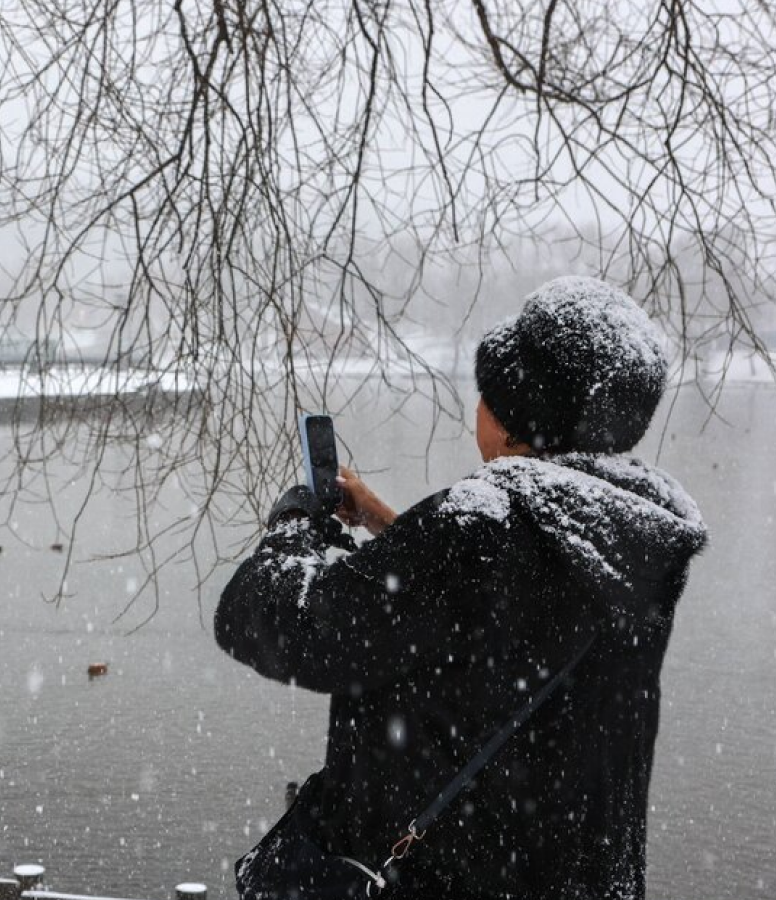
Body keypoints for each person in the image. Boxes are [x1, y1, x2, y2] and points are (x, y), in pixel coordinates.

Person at [215, 276, 708, 900]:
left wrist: (293, 529)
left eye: (487, 395)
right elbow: (516, 615)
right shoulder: (629, 532)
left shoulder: (478, 529)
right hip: (575, 875)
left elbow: (277, 621)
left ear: (511, 424)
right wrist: (391, 528)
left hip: (442, 874)